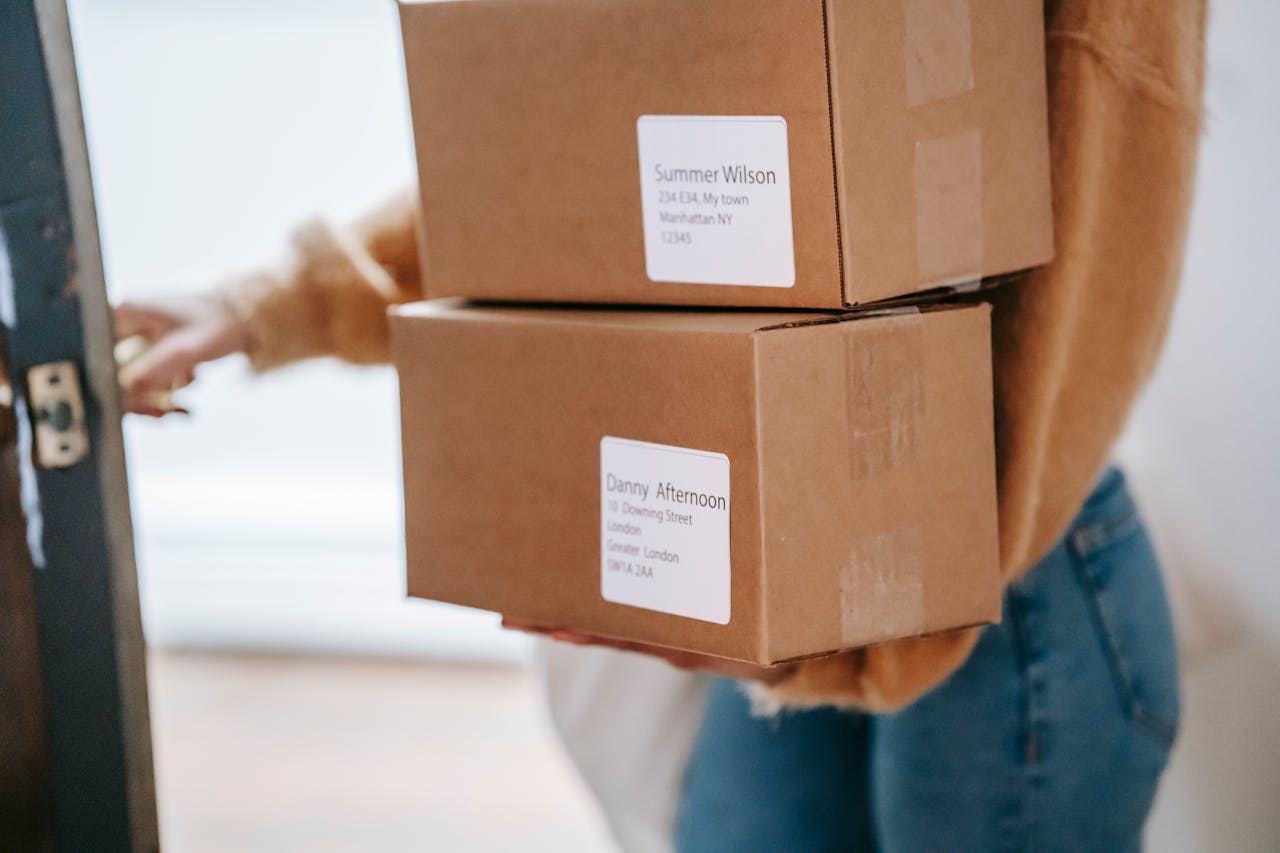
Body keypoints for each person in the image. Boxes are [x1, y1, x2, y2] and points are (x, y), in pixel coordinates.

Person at [117, 0, 1207, 848]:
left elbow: (1086, 262)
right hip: (813, 569)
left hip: (1010, 582)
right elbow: (599, 166)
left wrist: (849, 624)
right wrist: (273, 306)